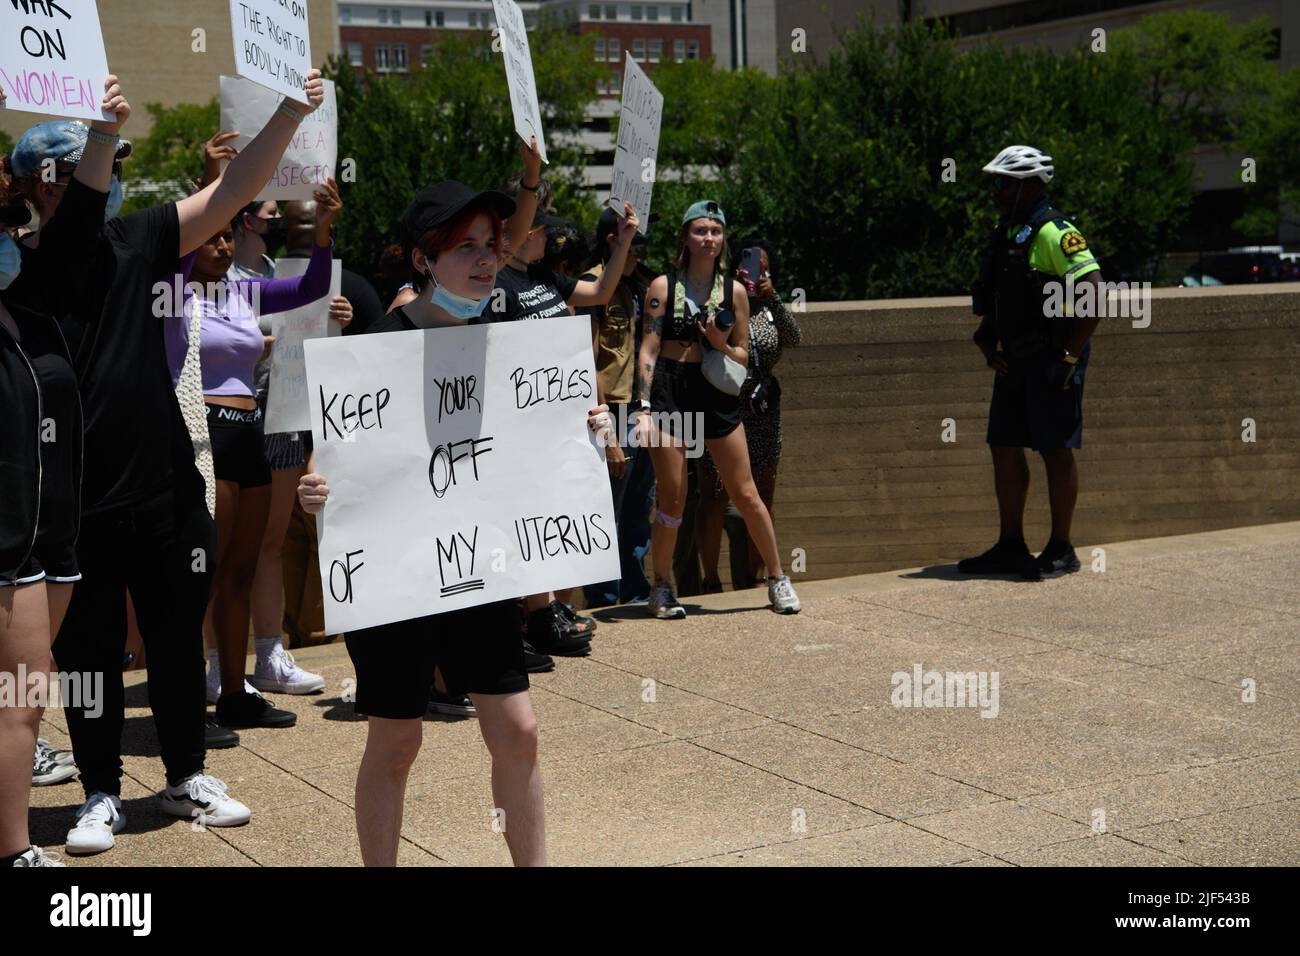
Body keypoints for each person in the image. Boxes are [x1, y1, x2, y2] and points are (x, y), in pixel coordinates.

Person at [8, 70, 326, 856]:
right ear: (32, 193)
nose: (73, 193)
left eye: (86, 174)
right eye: (55, 182)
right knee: (86, 659)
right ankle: (100, 792)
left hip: (164, 489)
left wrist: (289, 113)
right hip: (73, 500)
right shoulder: (22, 272)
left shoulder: (141, 239)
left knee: (178, 637)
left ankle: (185, 774)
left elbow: (232, 194)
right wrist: (104, 137)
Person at [298, 179, 612, 866]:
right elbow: (334, 455)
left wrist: (586, 429)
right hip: (397, 579)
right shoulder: (374, 348)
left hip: (481, 568)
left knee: (519, 730)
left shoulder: (511, 348)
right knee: (397, 739)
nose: (485, 259)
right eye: (465, 247)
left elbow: (541, 446)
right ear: (421, 260)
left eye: (492, 246)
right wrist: (316, 490)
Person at [0, 78, 134, 867]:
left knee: (24, 695)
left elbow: (81, 217)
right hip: (7, 545)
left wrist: (101, 133)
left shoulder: (43, 301)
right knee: (18, 703)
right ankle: (16, 851)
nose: (11, 232)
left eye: (14, 219)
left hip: (52, 537)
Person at [173, 181, 343, 727]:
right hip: (205, 435)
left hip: (250, 432)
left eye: (228, 238)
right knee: (207, 565)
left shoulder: (243, 293)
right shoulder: (171, 292)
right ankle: (199, 680)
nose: (223, 248)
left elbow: (313, 286)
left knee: (242, 568)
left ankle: (234, 691)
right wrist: (213, 182)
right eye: (212, 238)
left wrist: (322, 232)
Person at [477, 176, 640, 652]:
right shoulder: (497, 279)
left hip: (552, 427)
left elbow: (602, 292)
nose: (551, 237)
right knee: (515, 519)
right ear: (524, 231)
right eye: (543, 228)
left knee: (544, 516)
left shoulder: (546, 277)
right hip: (512, 426)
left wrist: (624, 241)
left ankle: (540, 615)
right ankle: (524, 620)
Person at [635, 200, 802, 619]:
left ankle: (777, 578)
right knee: (673, 497)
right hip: (672, 390)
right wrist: (642, 404)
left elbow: (744, 356)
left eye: (715, 230)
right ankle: (662, 586)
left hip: (716, 391)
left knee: (745, 492)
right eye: (700, 230)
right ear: (685, 238)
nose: (708, 238)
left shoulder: (735, 292)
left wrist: (719, 343)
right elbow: (648, 350)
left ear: (723, 238)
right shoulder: (662, 286)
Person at [960, 145, 1103, 580]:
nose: (995, 192)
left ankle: (1061, 548)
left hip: (1053, 361)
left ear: (1028, 187)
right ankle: (1010, 546)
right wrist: (989, 345)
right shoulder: (1007, 233)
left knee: (1055, 450)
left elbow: (1094, 293)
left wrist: (1069, 358)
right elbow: (1001, 298)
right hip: (1015, 362)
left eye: (1002, 184)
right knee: (1003, 445)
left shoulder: (1054, 233)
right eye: (995, 183)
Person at [696, 239, 802, 590]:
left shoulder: (770, 307)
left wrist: (773, 296)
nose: (756, 271)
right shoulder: (723, 299)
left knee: (763, 493)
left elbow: (795, 338)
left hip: (763, 408)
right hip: (724, 402)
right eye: (750, 265)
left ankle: (758, 575)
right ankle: (710, 579)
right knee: (713, 493)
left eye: (763, 267)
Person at [579, 207, 653, 607]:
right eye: (633, 247)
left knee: (639, 507)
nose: (640, 256)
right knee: (607, 510)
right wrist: (608, 437)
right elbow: (587, 365)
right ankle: (605, 598)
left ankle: (635, 592)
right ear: (614, 242)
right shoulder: (592, 287)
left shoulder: (630, 286)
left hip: (636, 411)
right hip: (608, 415)